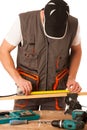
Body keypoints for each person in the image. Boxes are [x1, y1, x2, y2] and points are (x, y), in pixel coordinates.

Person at [0, 0, 82, 110]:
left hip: (56, 92)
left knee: (54, 126)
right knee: (21, 125)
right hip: (27, 93)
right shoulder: (24, 22)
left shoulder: (73, 24)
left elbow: (77, 50)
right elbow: (3, 51)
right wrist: (18, 80)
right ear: (43, 13)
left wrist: (72, 78)